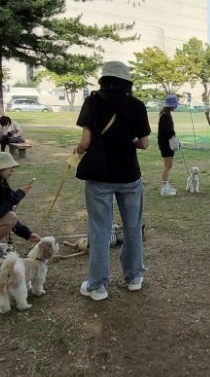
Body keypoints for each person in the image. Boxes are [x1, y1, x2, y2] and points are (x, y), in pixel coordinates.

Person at [75, 61, 151, 300]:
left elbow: (85, 142)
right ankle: (134, 277)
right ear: (127, 82)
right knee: (132, 227)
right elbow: (144, 144)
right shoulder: (137, 105)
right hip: (129, 175)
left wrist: (78, 150)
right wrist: (128, 142)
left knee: (100, 230)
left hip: (99, 175)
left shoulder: (92, 101)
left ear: (104, 80)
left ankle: (97, 286)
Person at [158, 94, 180, 196]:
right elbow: (168, 131)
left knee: (169, 165)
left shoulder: (166, 115)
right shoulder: (165, 116)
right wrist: (175, 139)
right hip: (166, 144)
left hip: (167, 143)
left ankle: (166, 185)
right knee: (167, 165)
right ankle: (164, 188)